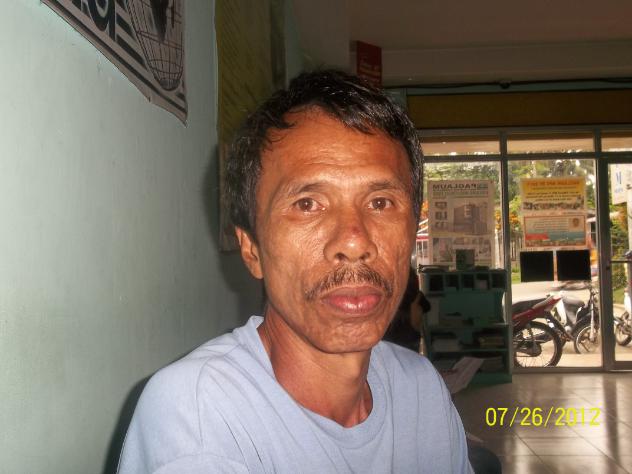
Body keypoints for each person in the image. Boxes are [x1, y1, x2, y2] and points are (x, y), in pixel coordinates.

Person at [118, 70, 473, 473]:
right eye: (307, 204)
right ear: (252, 250)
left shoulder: (420, 388)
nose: (354, 241)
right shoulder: (200, 414)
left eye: (380, 202)